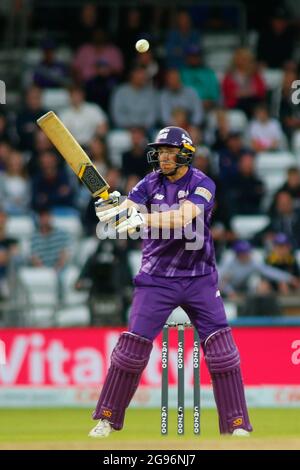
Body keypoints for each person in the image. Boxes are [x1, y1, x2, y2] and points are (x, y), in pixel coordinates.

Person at [89, 126, 253, 438]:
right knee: (130, 350)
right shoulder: (148, 183)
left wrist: (140, 218)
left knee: (222, 352)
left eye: (169, 151)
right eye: (160, 151)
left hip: (200, 278)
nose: (163, 157)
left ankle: (236, 426)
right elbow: (130, 209)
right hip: (156, 279)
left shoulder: (203, 183)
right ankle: (107, 419)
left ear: (185, 154)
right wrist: (113, 211)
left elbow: (181, 217)